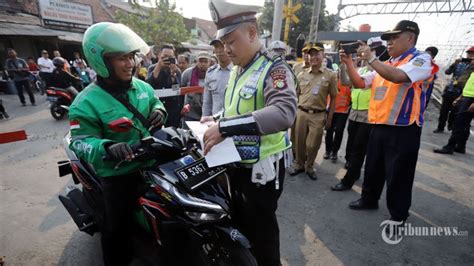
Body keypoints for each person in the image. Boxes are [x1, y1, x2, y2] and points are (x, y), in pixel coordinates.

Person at [203, 1, 297, 264]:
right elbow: (236, 110)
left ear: (253, 33)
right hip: (236, 164)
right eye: (223, 43)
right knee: (242, 229)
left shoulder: (274, 68)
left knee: (264, 239)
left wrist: (224, 127)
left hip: (261, 174)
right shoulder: (238, 69)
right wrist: (217, 118)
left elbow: (284, 112)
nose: (226, 49)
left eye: (231, 41)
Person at [68, 22, 167, 266]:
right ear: (101, 61)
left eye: (131, 56)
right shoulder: (85, 102)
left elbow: (157, 103)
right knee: (116, 229)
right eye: (120, 58)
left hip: (153, 161)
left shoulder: (143, 87)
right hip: (119, 173)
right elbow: (80, 142)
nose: (130, 63)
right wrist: (107, 148)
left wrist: (159, 111)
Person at [340, 20, 436, 225]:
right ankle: (369, 199)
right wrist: (348, 63)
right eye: (388, 39)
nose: (389, 43)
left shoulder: (421, 60)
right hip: (379, 125)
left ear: (410, 37)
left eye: (394, 38)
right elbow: (359, 83)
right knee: (374, 167)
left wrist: (372, 59)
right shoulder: (388, 63)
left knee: (399, 175)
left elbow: (399, 77)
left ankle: (398, 215)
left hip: (404, 129)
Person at [331, 39, 388, 191]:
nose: (364, 51)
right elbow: (345, 82)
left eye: (372, 49)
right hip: (354, 113)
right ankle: (353, 172)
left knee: (358, 149)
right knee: (351, 147)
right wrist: (344, 64)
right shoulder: (362, 70)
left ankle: (348, 180)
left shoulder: (380, 71)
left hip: (369, 115)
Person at [289, 43, 338, 180]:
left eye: (317, 54)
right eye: (311, 54)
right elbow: (295, 95)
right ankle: (299, 165)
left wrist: (329, 119)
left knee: (312, 145)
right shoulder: (301, 74)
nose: (313, 57)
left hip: (318, 114)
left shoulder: (330, 75)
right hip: (301, 113)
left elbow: (334, 98)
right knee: (298, 142)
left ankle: (309, 166)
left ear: (323, 55)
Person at [433, 46, 474, 133]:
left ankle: (451, 125)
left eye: (472, 54)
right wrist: (453, 64)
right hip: (450, 90)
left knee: (455, 112)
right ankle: (440, 127)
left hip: (461, 93)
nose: (470, 56)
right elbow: (447, 72)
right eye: (469, 54)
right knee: (444, 110)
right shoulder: (459, 63)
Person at [433, 71, 474, 154]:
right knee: (465, 124)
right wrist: (460, 97)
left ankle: (449, 147)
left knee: (459, 123)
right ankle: (461, 146)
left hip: (471, 100)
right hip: (466, 97)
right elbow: (469, 86)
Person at [146, 44, 182, 127]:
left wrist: (173, 75)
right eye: (164, 56)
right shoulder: (152, 68)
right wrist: (159, 66)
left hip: (171, 111)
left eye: (170, 57)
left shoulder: (177, 71)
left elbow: (176, 91)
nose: (167, 59)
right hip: (155, 109)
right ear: (159, 55)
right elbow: (148, 85)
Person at [323, 71, 351, 162]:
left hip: (343, 112)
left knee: (339, 131)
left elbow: (351, 98)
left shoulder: (348, 83)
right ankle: (328, 150)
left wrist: (347, 107)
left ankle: (334, 152)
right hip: (331, 111)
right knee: (329, 131)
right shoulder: (332, 82)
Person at [201, 39, 232, 119]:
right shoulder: (211, 73)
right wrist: (205, 119)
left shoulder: (238, 71)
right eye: (216, 47)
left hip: (232, 122)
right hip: (214, 123)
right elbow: (207, 102)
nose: (219, 51)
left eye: (222, 46)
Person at [180, 51, 211, 122]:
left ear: (209, 62)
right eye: (200, 61)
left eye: (205, 61)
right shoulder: (187, 73)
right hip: (189, 113)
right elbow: (181, 90)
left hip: (206, 114)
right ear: (196, 61)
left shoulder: (212, 74)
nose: (203, 64)